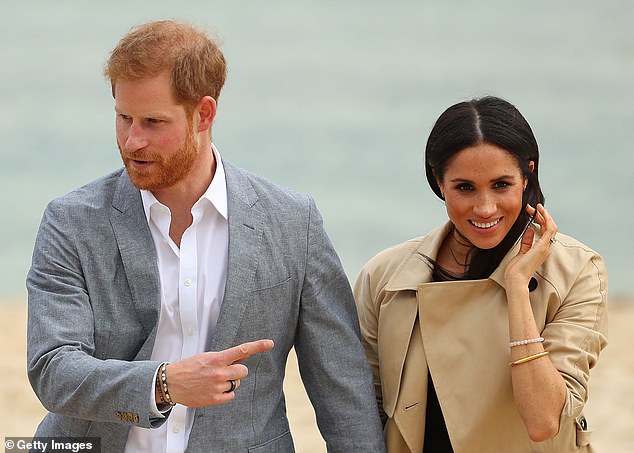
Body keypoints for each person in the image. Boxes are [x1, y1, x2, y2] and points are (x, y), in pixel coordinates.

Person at [27, 20, 385, 452]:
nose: (131, 140)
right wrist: (163, 385)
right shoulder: (71, 221)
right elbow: (53, 370)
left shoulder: (293, 223)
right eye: (123, 118)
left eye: (153, 122)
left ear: (204, 114)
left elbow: (343, 392)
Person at [353, 96, 608, 452]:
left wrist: (516, 286)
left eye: (501, 184)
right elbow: (361, 416)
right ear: (438, 182)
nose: (485, 207)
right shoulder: (384, 277)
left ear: (527, 175)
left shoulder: (578, 271)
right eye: (464, 188)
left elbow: (543, 421)